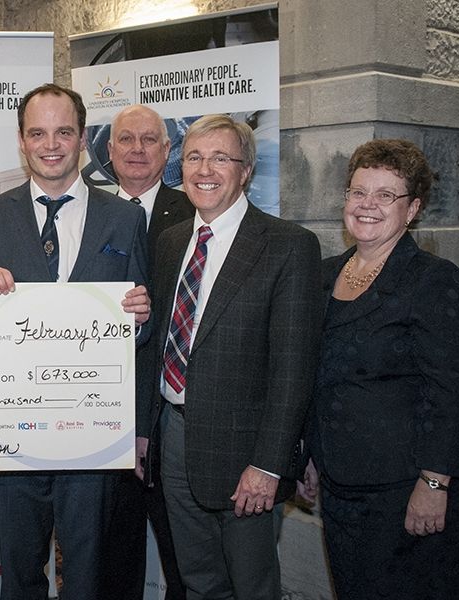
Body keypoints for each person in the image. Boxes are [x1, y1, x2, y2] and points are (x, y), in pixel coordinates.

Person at [0, 83, 151, 600]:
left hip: (93, 438)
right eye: (38, 133)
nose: (52, 144)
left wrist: (141, 317)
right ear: (22, 142)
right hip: (13, 435)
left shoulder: (124, 217)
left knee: (88, 576)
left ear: (82, 140)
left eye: (64, 132)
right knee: (20, 574)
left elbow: (142, 327)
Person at [139, 114, 323, 599]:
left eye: (221, 158)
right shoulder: (172, 240)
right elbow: (161, 342)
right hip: (174, 441)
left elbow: (293, 370)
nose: (205, 169)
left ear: (245, 171)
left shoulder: (288, 246)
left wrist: (268, 464)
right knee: (198, 582)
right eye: (194, 157)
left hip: (246, 456)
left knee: (252, 585)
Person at [299, 139, 459, 599]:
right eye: (358, 192)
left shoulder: (432, 280)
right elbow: (317, 378)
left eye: (385, 195)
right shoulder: (323, 275)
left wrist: (435, 482)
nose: (367, 206)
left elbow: (455, 392)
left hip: (407, 491)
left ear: (412, 208)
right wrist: (311, 453)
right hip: (342, 489)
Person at [105, 103, 194, 600]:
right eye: (126, 139)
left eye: (149, 140)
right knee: (113, 557)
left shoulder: (196, 214)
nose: (137, 149)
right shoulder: (87, 214)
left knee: (184, 559)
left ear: (167, 151)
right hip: (99, 412)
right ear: (107, 150)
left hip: (172, 417)